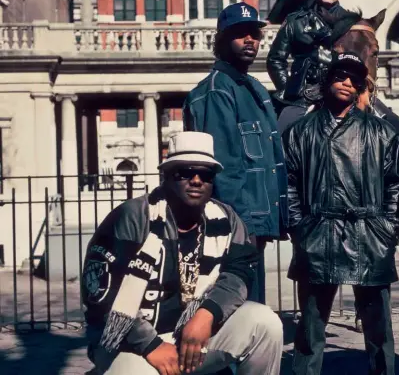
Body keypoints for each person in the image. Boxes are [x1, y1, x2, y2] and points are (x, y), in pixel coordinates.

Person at [82, 131, 283, 375]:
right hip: (129, 341)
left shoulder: (226, 219)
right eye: (185, 172)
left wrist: (207, 314)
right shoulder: (132, 217)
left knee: (265, 323)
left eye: (206, 174)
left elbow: (238, 273)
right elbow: (99, 291)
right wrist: (151, 345)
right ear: (165, 176)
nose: (197, 180)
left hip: (192, 333)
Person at [283, 51, 399, 375]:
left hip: (369, 236)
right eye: (339, 75)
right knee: (310, 329)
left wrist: (387, 228)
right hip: (318, 237)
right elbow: (289, 183)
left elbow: (395, 185)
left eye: (354, 78)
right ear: (326, 81)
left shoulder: (382, 133)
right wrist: (299, 227)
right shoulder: (300, 131)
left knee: (379, 330)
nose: (347, 82)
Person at [183, 2, 288, 305]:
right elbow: (224, 168)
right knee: (235, 306)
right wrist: (240, 227)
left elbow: (270, 158)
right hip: (238, 224)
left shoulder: (253, 87)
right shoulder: (216, 90)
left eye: (254, 34)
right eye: (240, 34)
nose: (250, 41)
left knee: (251, 303)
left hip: (258, 220)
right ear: (222, 40)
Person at [267, 0, 349, 121]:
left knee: (390, 120)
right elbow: (275, 60)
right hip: (304, 95)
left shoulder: (352, 23)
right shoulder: (294, 21)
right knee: (283, 127)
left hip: (343, 92)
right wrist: (289, 89)